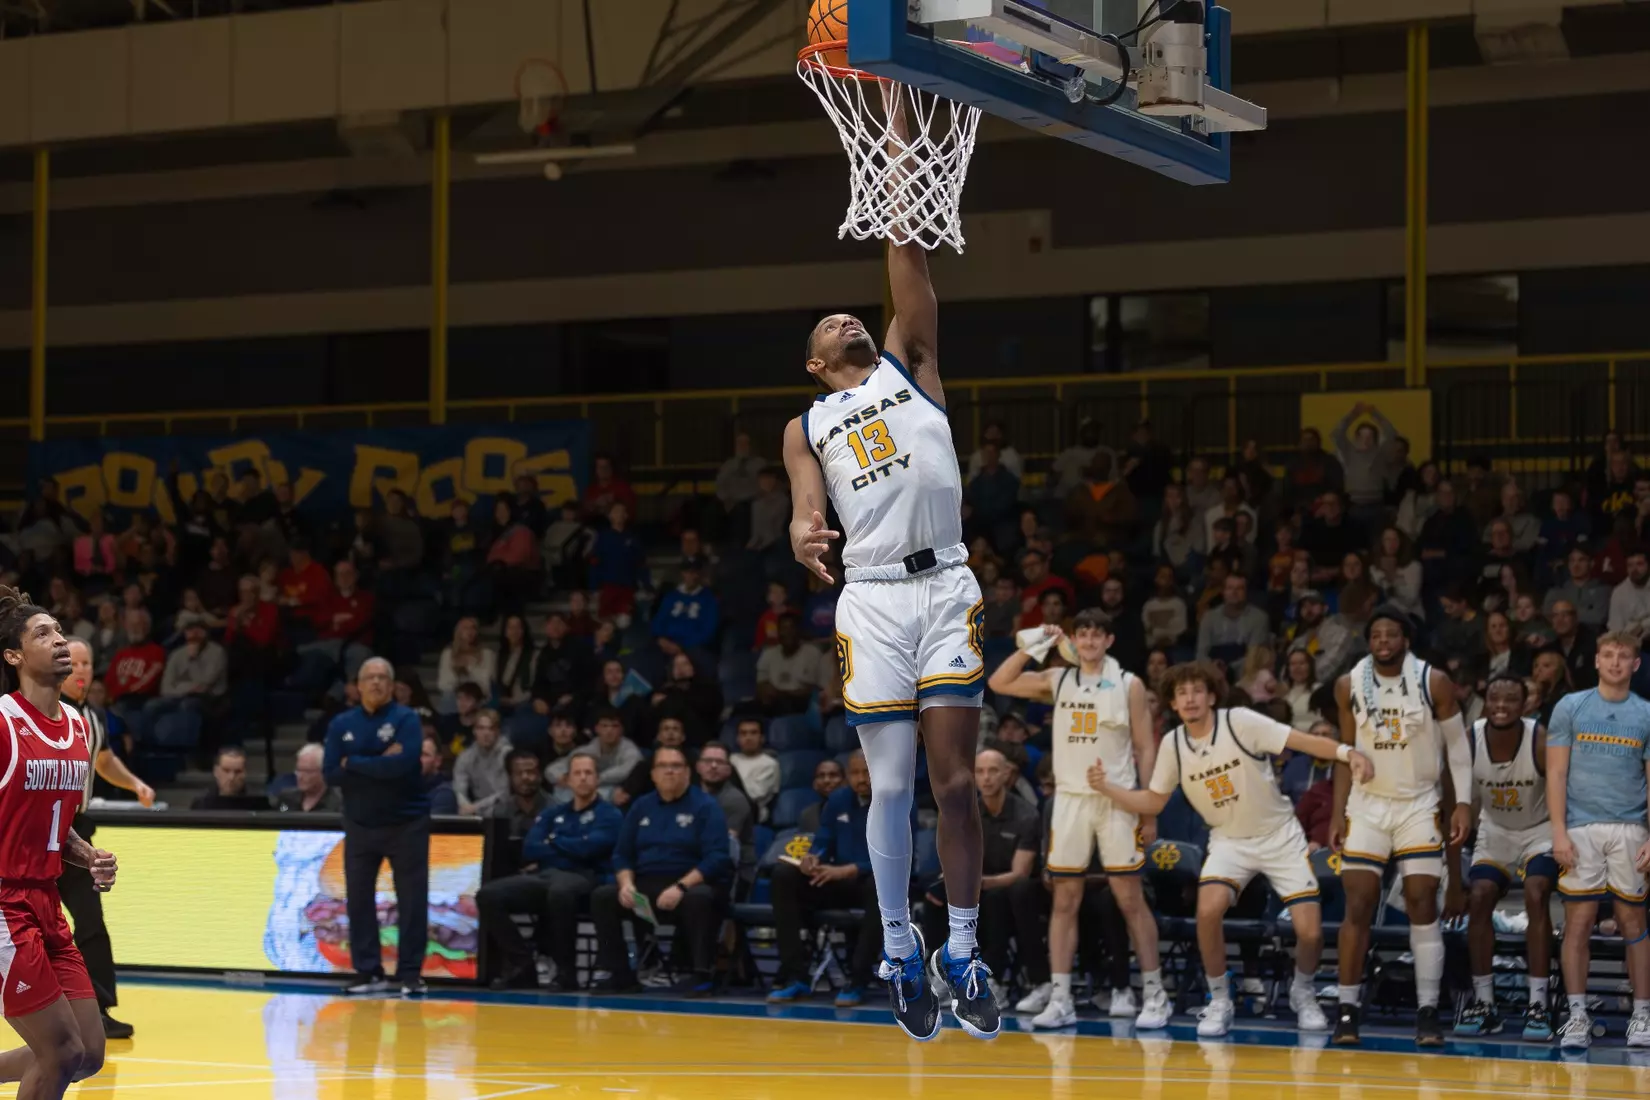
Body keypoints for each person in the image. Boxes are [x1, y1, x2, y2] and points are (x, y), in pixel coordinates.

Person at [783, 217, 994, 1042]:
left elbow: (911, 257)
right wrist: (802, 536)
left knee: (954, 786)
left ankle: (964, 953)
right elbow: (805, 509)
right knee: (895, 787)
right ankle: (901, 948)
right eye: (831, 325)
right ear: (814, 363)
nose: (849, 321)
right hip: (870, 599)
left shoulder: (912, 364)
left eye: (853, 316)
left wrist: (899, 151)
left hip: (944, 583)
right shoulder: (806, 424)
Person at [1090, 661, 1370, 1037]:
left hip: (1279, 836)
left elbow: (1300, 741)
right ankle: (1220, 998)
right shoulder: (1173, 744)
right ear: (1173, 703)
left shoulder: (1240, 721)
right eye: (1181, 693)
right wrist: (1108, 788)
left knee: (1310, 932)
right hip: (1228, 840)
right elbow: (1155, 802)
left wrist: (1345, 752)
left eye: (1197, 691)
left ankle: (1303, 992)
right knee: (1208, 911)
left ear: (1211, 695)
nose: (1190, 699)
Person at [987, 611, 1170, 1031]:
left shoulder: (1130, 684)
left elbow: (1145, 748)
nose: (1087, 641)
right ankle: (1062, 996)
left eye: (1095, 634)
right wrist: (1039, 643)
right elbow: (999, 682)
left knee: (1129, 899)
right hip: (1070, 800)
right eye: (1081, 634)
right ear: (1075, 640)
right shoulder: (1058, 679)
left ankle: (1155, 993)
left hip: (1117, 800)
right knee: (1064, 899)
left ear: (1108, 640)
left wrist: (1148, 808)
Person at [1330, 607, 1471, 1047]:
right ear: (1368, 641)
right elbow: (1344, 752)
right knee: (1358, 901)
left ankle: (1427, 1010)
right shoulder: (1347, 684)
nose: (1383, 640)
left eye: (1391, 634)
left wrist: (1462, 803)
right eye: (1376, 634)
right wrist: (1338, 812)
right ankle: (1348, 1010)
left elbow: (1458, 749)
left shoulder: (1434, 682)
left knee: (1421, 899)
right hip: (1368, 804)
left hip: (1417, 802)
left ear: (1405, 641)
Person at [0, 587, 118, 1098]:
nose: (61, 640)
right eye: (43, 634)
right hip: (4, 903)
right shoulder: (4, 722)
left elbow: (55, 821)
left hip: (47, 901)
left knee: (87, 1053)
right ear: (14, 656)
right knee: (61, 1052)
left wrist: (87, 855)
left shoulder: (76, 725)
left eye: (60, 630)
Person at [1545, 631, 1650, 1050]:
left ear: (1636, 665)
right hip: (1580, 829)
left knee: (1633, 924)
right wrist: (1558, 832)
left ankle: (1642, 1017)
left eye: (1624, 657)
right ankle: (1576, 1016)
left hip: (1631, 828)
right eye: (1608, 655)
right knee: (1579, 923)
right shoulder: (1571, 706)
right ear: (1596, 660)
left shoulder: (1646, 712)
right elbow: (1555, 774)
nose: (1616, 662)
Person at [56, 638, 151, 1041]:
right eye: (73, 662)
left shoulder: (95, 719)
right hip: (31, 829)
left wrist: (135, 784)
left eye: (87, 663)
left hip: (77, 830)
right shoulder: (31, 713)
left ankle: (98, 1009)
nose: (81, 670)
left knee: (91, 924)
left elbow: (104, 759)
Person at [1454, 675, 1557, 1041]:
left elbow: (1564, 793)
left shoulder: (1540, 738)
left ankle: (1538, 1002)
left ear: (1525, 703)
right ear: (1485, 699)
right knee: (1479, 896)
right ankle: (1485, 1004)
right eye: (1494, 697)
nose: (1501, 705)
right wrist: (1454, 883)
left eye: (1510, 699)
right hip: (1495, 831)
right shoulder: (1470, 738)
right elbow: (1456, 807)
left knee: (1536, 891)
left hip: (1539, 830)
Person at [321, 657, 431, 997]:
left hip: (406, 823)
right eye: (370, 677)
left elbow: (403, 764)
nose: (376, 683)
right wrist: (380, 760)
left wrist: (353, 762)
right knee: (358, 900)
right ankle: (368, 972)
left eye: (383, 677)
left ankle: (410, 974)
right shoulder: (342, 723)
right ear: (358, 685)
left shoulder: (407, 719)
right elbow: (330, 773)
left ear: (393, 684)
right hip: (359, 824)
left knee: (412, 900)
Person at [589, 746, 733, 995]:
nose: (669, 771)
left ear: (688, 773)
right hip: (646, 885)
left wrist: (681, 887)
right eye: (663, 766)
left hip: (691, 884)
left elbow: (717, 857)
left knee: (700, 899)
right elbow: (622, 854)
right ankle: (621, 974)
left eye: (676, 766)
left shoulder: (706, 806)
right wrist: (626, 884)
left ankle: (700, 974)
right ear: (653, 774)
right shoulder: (641, 806)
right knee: (603, 896)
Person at [480, 753, 620, 991]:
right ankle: (523, 965)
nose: (583, 778)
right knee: (488, 895)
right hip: (544, 877)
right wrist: (572, 844)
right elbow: (531, 847)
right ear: (567, 780)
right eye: (578, 773)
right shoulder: (554, 813)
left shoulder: (610, 814)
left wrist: (554, 841)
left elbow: (591, 849)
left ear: (597, 779)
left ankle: (566, 972)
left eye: (588, 773)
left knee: (560, 892)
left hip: (586, 877)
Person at [919, 747, 1037, 1011]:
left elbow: (1020, 873)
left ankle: (992, 983)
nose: (986, 778)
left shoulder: (1026, 815)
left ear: (1008, 775)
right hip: (976, 886)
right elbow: (954, 858)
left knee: (995, 901)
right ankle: (945, 976)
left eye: (993, 771)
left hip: (1010, 891)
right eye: (980, 772)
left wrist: (975, 883)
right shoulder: (966, 812)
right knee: (935, 897)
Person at [767, 750, 884, 1006]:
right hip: (837, 879)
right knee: (784, 875)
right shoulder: (839, 800)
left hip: (875, 880)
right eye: (855, 773)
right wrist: (813, 858)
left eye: (867, 771)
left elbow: (897, 856)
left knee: (881, 888)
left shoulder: (896, 798)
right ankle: (795, 975)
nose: (861, 778)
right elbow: (823, 840)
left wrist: (850, 869)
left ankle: (858, 978)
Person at [452, 709, 512, 815]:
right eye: (481, 728)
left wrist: (476, 807)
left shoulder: (507, 755)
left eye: (491, 729)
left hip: (504, 808)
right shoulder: (466, 756)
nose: (486, 733)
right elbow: (458, 790)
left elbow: (505, 793)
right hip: (475, 810)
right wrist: (465, 806)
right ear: (474, 731)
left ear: (497, 731)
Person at [730, 718, 781, 816]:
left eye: (753, 733)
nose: (748, 738)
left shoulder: (769, 764)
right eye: (743, 733)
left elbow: (754, 794)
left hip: (752, 813)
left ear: (762, 738)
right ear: (738, 739)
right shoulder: (731, 759)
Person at [189, 747, 265, 810]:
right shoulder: (202, 803)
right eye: (226, 771)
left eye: (238, 772)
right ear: (216, 771)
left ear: (245, 773)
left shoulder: (258, 803)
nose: (231, 777)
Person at [276, 743, 342, 813]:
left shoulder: (339, 802)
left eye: (307, 771)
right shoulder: (287, 799)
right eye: (298, 770)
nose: (300, 776)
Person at [797, 758, 845, 833]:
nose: (826, 780)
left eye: (833, 775)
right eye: (821, 776)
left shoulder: (859, 811)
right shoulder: (807, 815)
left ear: (844, 781)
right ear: (815, 784)